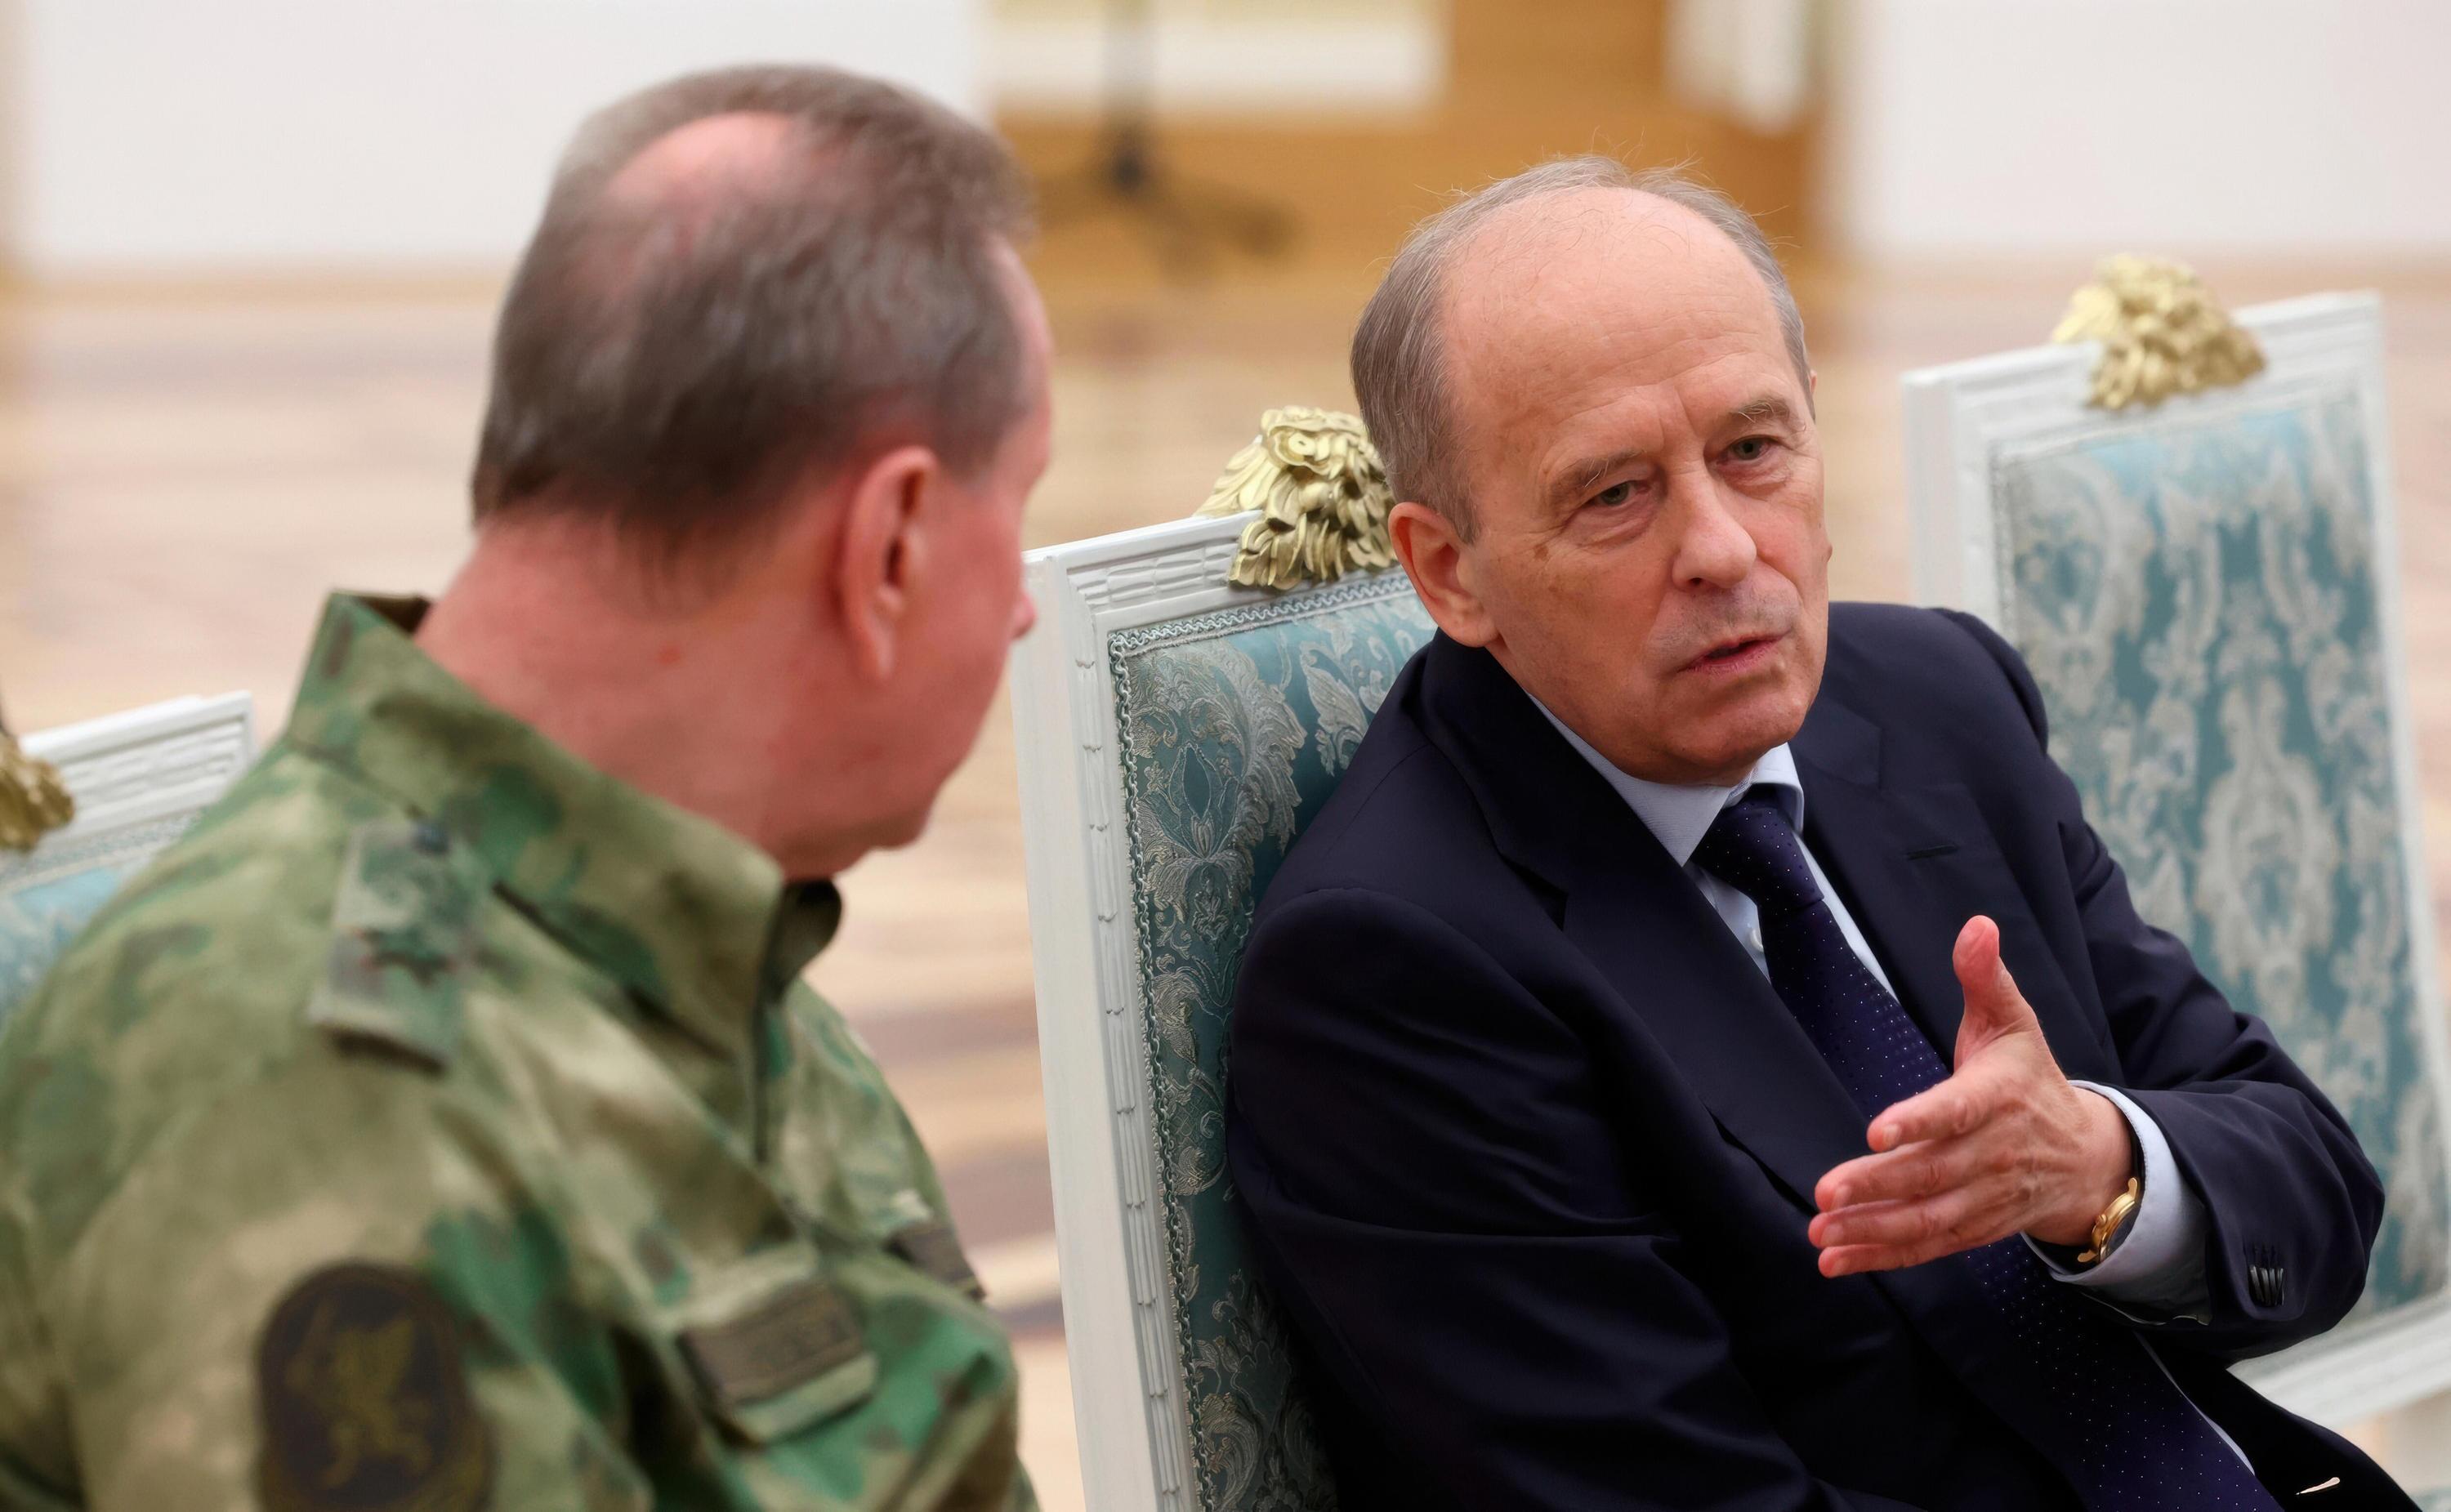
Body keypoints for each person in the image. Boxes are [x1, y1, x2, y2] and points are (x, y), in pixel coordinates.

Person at [1225, 158, 2415, 1510]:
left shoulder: (1935, 701)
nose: (1726, 550)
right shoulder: (1394, 970)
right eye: (1614, 495)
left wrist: (2097, 1168)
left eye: (1753, 451)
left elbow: (2316, 1196)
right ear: (1450, 572)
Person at [0, 65, 1049, 1511]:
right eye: (1023, 504)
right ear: (891, 544)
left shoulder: (701, 939)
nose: (1023, 610)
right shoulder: (321, 1091)